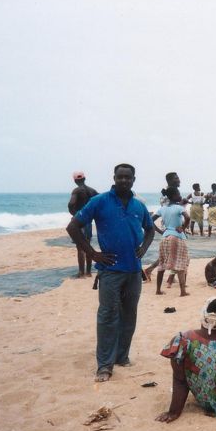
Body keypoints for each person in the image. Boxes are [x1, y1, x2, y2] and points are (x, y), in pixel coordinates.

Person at [66, 163, 155, 382]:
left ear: (134, 179)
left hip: (134, 271)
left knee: (129, 315)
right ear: (114, 178)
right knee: (107, 316)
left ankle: (121, 357)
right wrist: (93, 254)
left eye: (128, 177)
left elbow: (150, 229)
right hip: (110, 271)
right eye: (120, 177)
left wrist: (144, 248)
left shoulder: (138, 205)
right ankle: (104, 366)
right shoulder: (99, 201)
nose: (124, 181)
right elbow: (73, 227)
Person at [152, 186, 190, 297]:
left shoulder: (162, 208)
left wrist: (160, 231)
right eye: (178, 194)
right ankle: (182, 291)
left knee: (162, 264)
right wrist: (182, 227)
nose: (180, 196)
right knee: (180, 264)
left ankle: (158, 290)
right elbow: (188, 218)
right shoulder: (179, 208)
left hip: (165, 237)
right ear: (174, 196)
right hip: (177, 237)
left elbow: (150, 220)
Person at [144, 172, 182, 282]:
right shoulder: (168, 195)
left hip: (174, 228)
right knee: (172, 253)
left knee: (171, 253)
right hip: (171, 228)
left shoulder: (172, 193)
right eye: (176, 178)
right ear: (169, 180)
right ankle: (164, 275)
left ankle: (168, 276)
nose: (179, 180)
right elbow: (165, 212)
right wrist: (160, 231)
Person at [67, 171, 98, 278]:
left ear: (75, 180)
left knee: (80, 247)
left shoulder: (76, 190)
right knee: (87, 245)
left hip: (79, 221)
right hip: (88, 221)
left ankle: (81, 273)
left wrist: (75, 215)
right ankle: (89, 272)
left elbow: (71, 204)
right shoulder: (92, 191)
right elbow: (100, 202)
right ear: (84, 179)